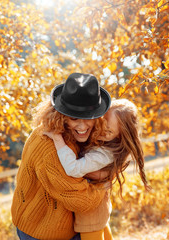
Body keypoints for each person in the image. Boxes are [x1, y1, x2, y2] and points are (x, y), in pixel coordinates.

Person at [11, 73, 112, 240]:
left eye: (89, 118)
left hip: (55, 224)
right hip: (42, 231)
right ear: (61, 115)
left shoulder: (67, 134)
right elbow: (80, 200)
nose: (82, 126)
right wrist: (103, 185)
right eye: (74, 118)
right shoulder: (50, 147)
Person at [45, 98, 151, 240]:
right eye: (101, 123)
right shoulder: (98, 139)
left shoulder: (105, 154)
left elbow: (73, 169)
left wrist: (57, 139)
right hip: (96, 209)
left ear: (119, 136)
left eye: (108, 131)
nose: (101, 131)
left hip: (91, 213)